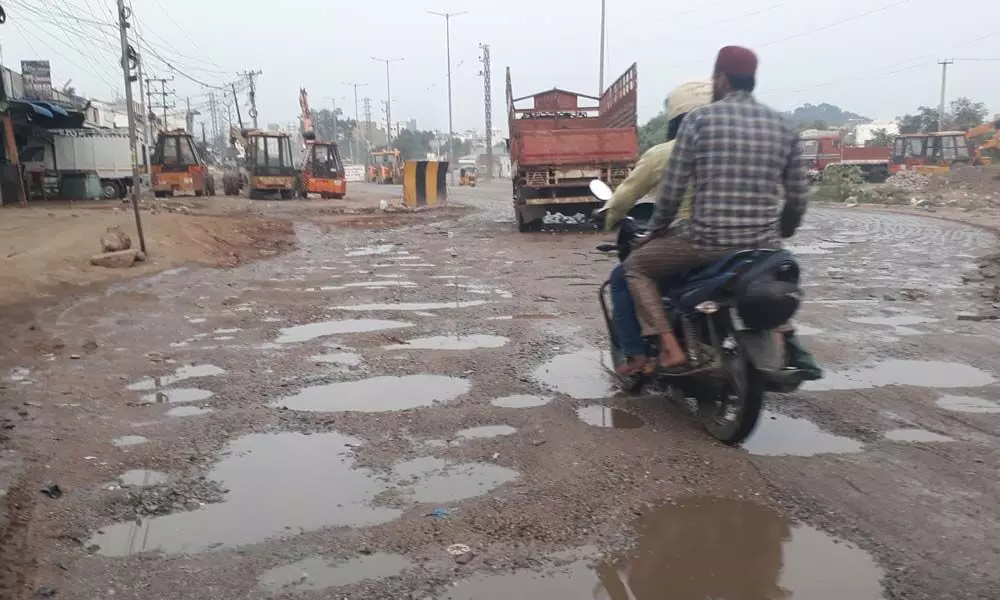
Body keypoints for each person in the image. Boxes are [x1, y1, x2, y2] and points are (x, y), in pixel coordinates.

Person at [624, 45, 810, 373]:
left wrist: (655, 231)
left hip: (704, 242)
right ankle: (786, 347)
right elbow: (797, 198)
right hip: (763, 248)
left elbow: (671, 191)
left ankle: (669, 348)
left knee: (636, 267)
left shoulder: (699, 120)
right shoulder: (784, 126)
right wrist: (781, 232)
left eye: (715, 78)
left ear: (722, 79)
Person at [598, 80, 713, 375]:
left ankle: (644, 353)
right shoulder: (738, 148)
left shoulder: (665, 154)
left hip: (693, 239)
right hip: (752, 239)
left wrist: (606, 216)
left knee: (626, 274)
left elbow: (626, 196)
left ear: (675, 120)